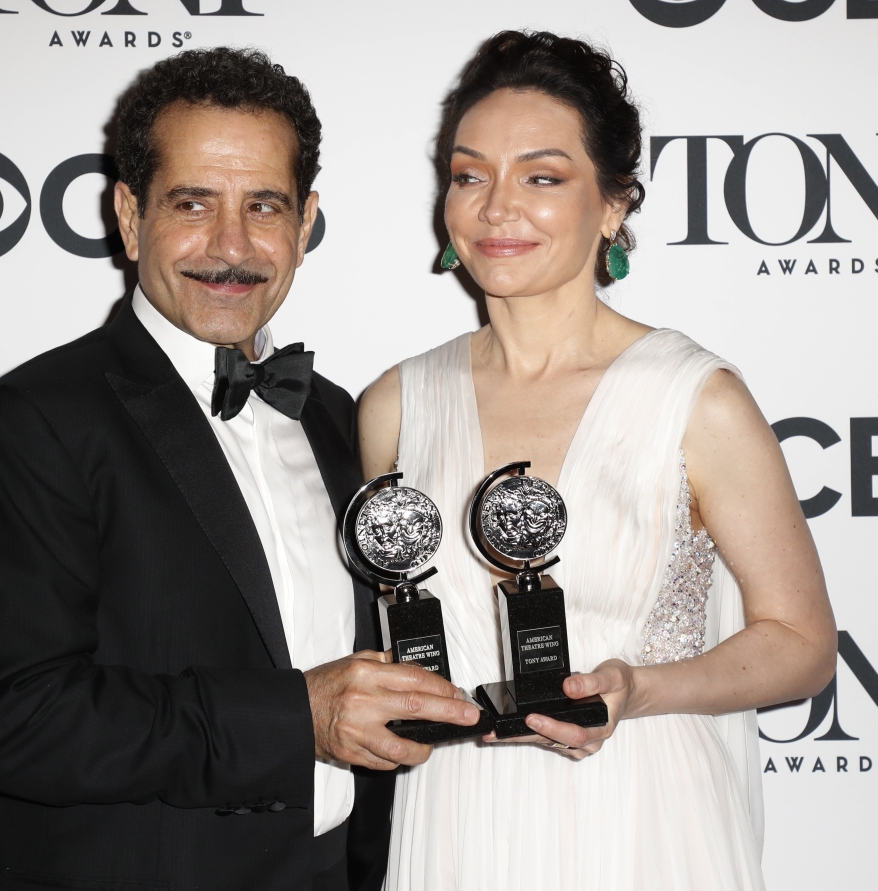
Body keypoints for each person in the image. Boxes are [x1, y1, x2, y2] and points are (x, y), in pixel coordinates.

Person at [0, 48, 482, 891]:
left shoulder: (344, 418)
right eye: (192, 203)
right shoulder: (31, 421)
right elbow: (7, 721)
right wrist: (298, 717)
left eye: (263, 205)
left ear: (305, 224)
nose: (231, 246)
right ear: (129, 215)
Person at [359, 31, 837, 891]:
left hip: (645, 821)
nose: (497, 208)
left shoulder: (696, 397)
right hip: (458, 826)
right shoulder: (394, 404)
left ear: (613, 204)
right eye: (470, 176)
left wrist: (638, 687)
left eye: (542, 177)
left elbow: (802, 644)